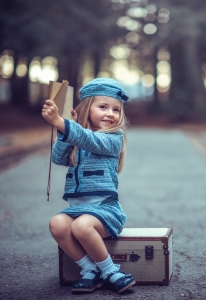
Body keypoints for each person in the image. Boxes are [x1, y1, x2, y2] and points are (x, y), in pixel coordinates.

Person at [41, 78, 135, 294]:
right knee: (57, 223)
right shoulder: (77, 136)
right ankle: (89, 270)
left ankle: (111, 271)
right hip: (77, 211)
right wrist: (66, 130)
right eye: (103, 107)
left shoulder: (113, 138)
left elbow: (90, 140)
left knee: (81, 226)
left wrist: (62, 124)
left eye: (116, 109)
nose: (110, 113)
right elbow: (58, 157)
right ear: (86, 109)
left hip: (105, 211)